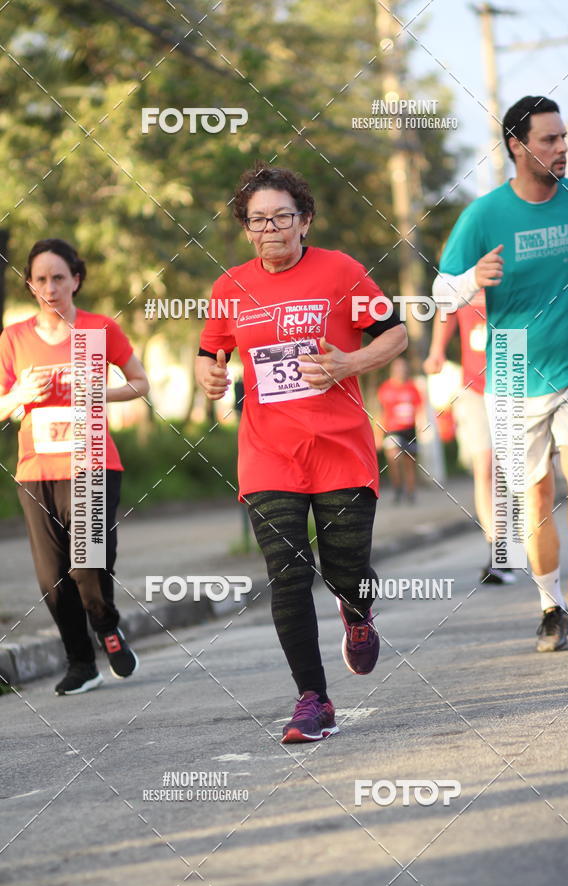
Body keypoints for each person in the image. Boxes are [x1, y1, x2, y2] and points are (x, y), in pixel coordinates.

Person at [196, 164, 406, 742]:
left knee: (345, 570)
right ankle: (313, 699)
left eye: (283, 217)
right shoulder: (229, 288)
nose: (271, 229)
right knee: (287, 576)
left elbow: (396, 333)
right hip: (269, 453)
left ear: (304, 219)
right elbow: (209, 350)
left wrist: (349, 363)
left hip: (340, 448)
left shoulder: (341, 271)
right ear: (246, 228)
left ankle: (358, 611)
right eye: (258, 220)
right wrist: (209, 379)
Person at [432, 96, 568, 651]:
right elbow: (441, 292)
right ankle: (550, 603)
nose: (561, 148)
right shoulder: (484, 216)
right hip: (512, 369)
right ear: (517, 146)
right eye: (549, 139)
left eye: (564, 138)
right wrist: (473, 278)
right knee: (535, 495)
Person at [0, 239, 150, 693]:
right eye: (41, 279)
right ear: (30, 285)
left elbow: (140, 383)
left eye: (59, 277)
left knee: (87, 565)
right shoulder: (14, 338)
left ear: (76, 280)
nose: (50, 287)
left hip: (92, 463)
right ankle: (81, 663)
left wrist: (100, 392)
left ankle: (105, 624)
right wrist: (19, 397)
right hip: (36, 471)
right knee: (52, 580)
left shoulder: (98, 330)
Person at [424, 290, 516, 585]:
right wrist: (437, 349)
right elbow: (447, 309)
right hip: (475, 387)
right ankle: (498, 548)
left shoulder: (513, 269)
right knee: (485, 467)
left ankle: (525, 538)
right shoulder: (464, 277)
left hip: (517, 384)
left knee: (515, 473)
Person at [377, 357, 422, 503]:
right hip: (392, 430)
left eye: (403, 368)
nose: (400, 371)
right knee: (393, 457)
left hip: (409, 430)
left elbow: (419, 409)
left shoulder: (412, 388)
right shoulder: (385, 388)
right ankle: (397, 488)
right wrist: (378, 434)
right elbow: (380, 412)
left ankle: (410, 492)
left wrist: (422, 427)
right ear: (392, 370)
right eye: (397, 368)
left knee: (409, 463)